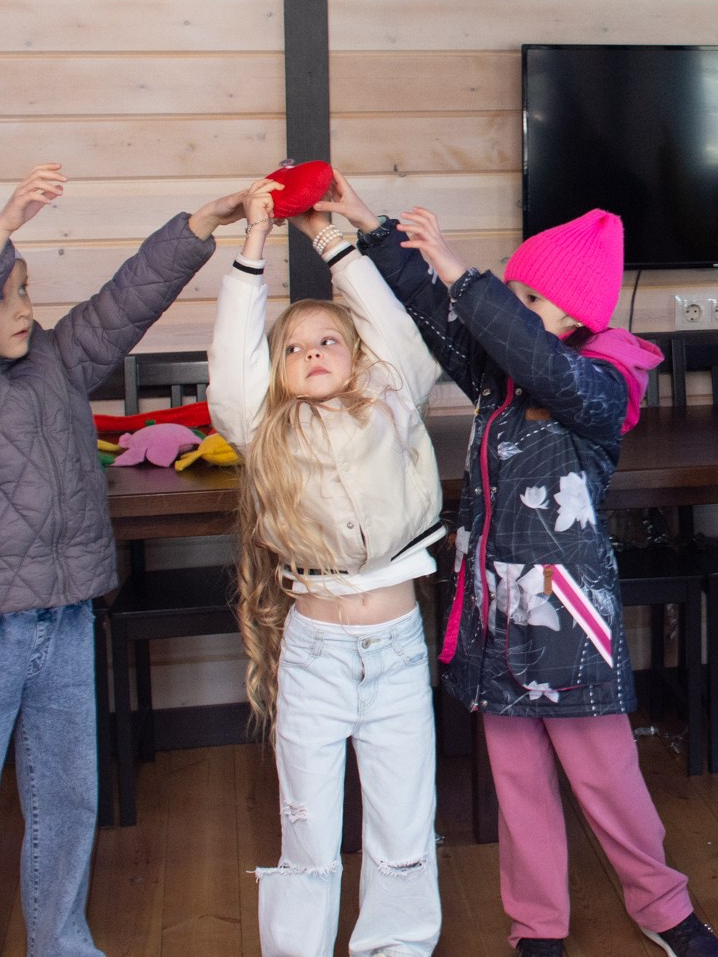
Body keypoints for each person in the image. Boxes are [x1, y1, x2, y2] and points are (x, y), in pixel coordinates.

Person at [320, 172, 718, 957]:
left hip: (568, 621)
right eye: (512, 296)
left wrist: (468, 276)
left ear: (575, 317)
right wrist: (374, 226)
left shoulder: (604, 381)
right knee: (519, 782)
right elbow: (442, 318)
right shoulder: (500, 373)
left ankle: (663, 903)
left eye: (528, 299)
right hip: (495, 617)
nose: (511, 312)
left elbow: (537, 359)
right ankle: (538, 923)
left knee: (607, 776)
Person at [0, 163, 244, 956]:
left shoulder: (53, 361)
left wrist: (199, 226)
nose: (25, 309)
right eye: (3, 296)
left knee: (69, 802)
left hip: (66, 619)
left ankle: (62, 941)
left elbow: (121, 304)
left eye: (24, 288)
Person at [208, 176, 448, 955]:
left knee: (403, 819)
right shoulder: (264, 425)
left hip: (396, 648)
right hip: (314, 657)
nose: (312, 351)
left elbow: (394, 330)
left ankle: (398, 945)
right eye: (295, 347)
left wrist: (332, 240)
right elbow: (232, 369)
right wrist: (251, 243)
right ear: (276, 370)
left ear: (359, 357)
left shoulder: (391, 395)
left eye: (328, 341)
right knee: (308, 824)